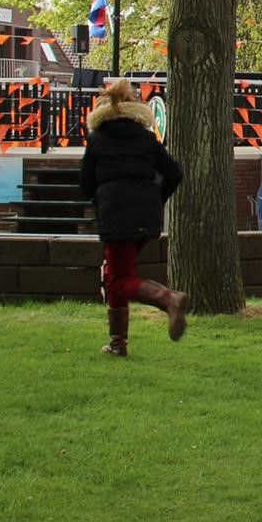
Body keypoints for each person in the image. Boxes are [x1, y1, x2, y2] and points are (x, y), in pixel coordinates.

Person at [78, 80, 187, 357]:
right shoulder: (146, 138)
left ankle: (168, 298)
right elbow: (174, 173)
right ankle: (118, 344)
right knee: (115, 273)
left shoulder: (98, 139)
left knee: (118, 280)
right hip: (146, 213)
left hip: (116, 213)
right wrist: (156, 199)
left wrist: (100, 197)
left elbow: (85, 184)